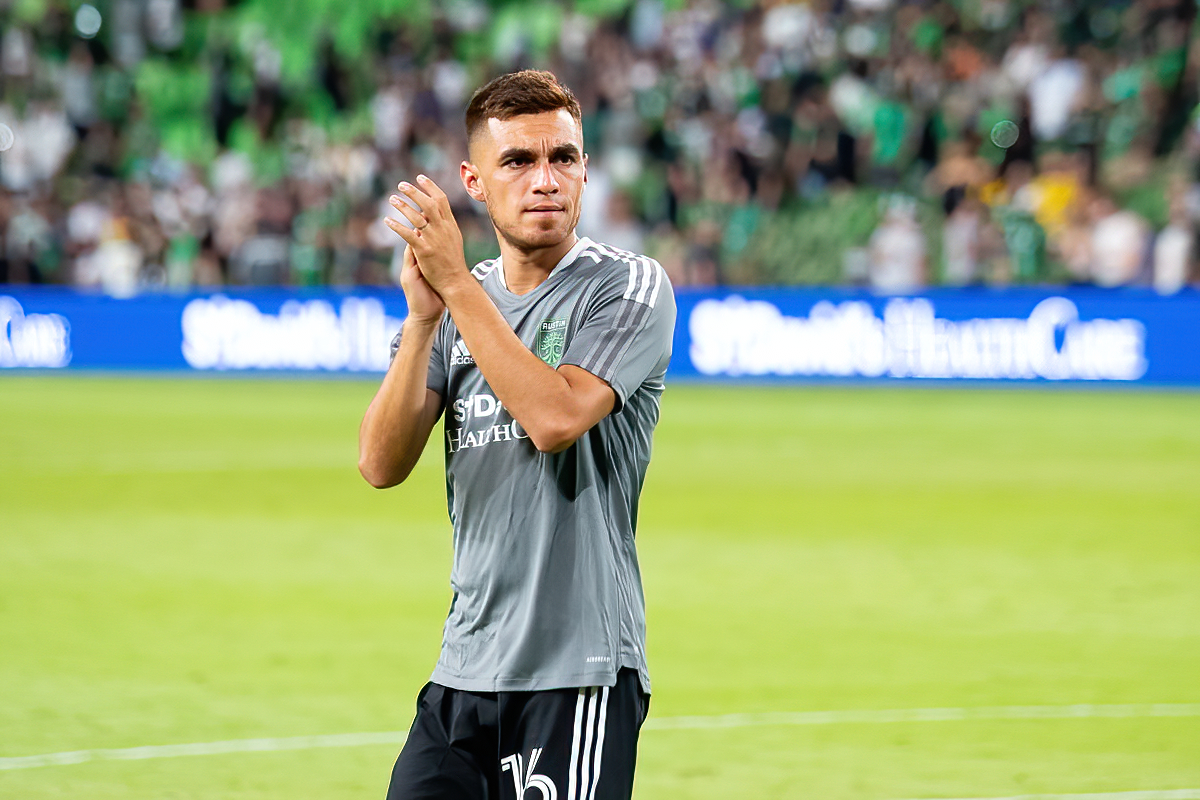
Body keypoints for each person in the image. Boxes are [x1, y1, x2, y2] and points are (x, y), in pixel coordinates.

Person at [358, 70, 675, 800]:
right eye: (518, 161)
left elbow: (557, 419)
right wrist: (422, 317)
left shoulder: (626, 287)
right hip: (464, 668)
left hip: (579, 672)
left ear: (586, 169)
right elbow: (379, 463)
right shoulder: (455, 306)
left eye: (563, 158)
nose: (545, 180)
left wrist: (458, 290)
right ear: (474, 179)